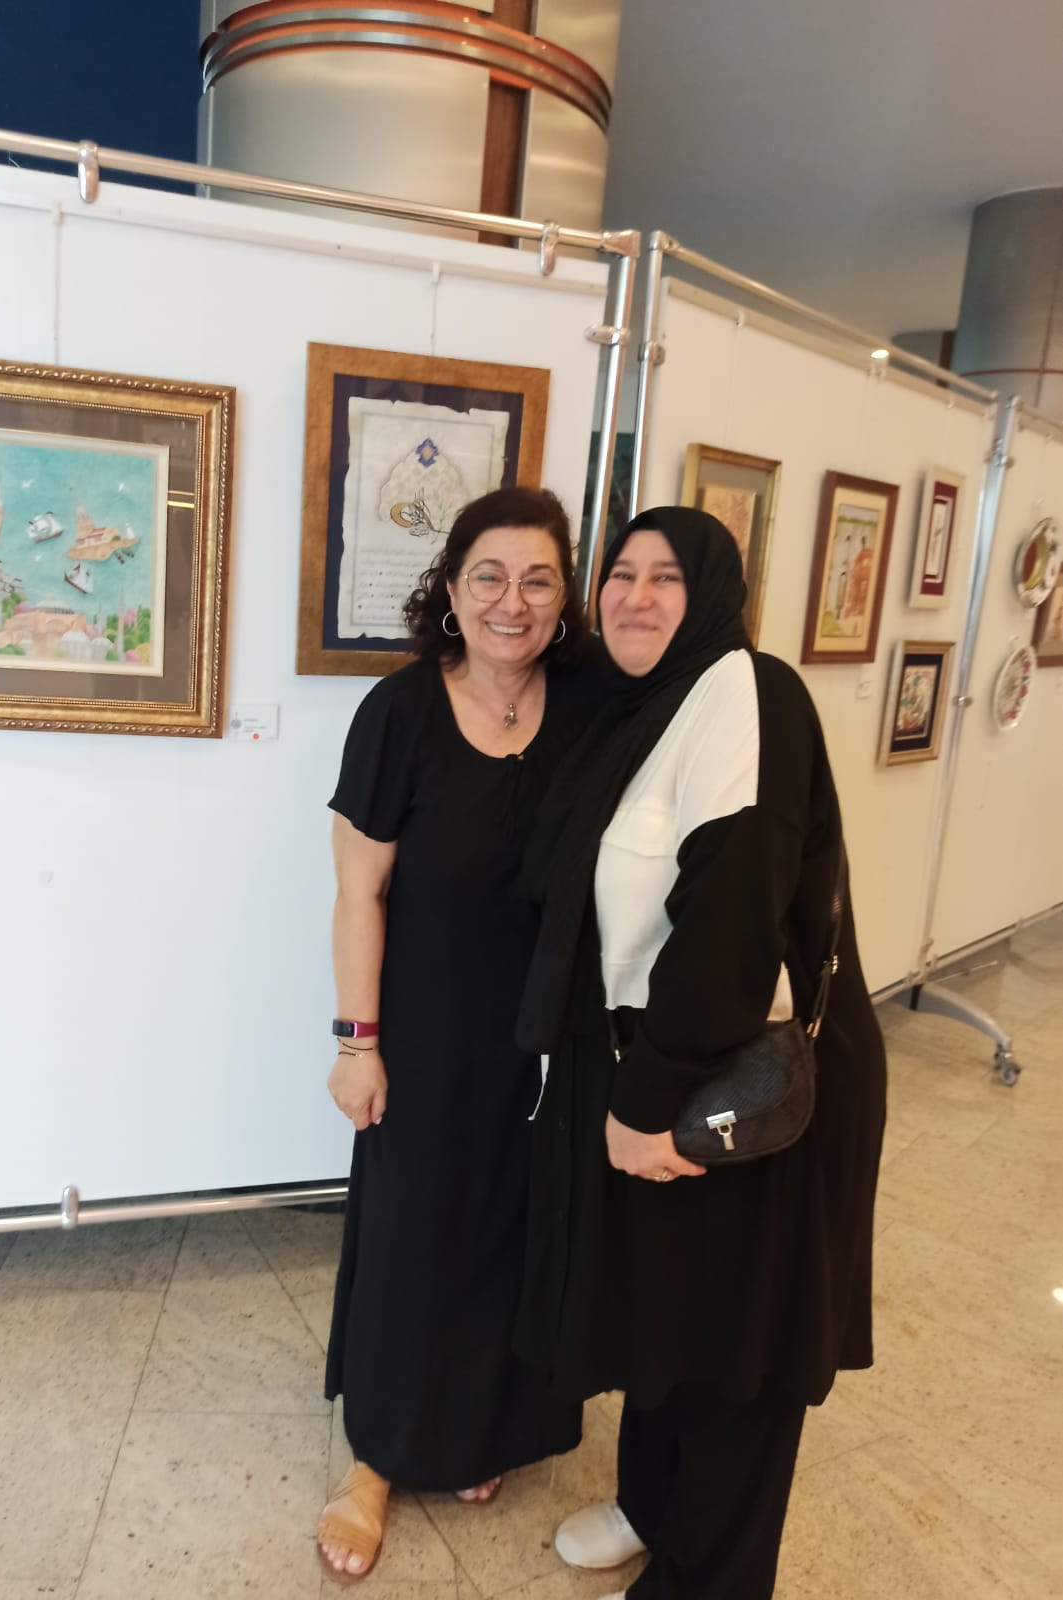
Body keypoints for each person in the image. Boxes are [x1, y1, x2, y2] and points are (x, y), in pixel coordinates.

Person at [513, 506, 887, 1600]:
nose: (634, 596)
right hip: (666, 1058)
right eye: (620, 573)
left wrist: (647, 1098)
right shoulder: (644, 709)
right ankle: (653, 1505)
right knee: (668, 1309)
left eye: (666, 576)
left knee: (735, 1349)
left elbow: (730, 919)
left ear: (716, 592)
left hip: (738, 1076)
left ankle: (709, 1577)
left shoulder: (747, 690)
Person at [318, 486, 597, 1581]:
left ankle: (479, 1429)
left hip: (550, 1035)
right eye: (488, 575)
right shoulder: (399, 713)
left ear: (564, 597)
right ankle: (376, 1460)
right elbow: (358, 892)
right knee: (410, 1238)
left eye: (537, 579)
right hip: (426, 1034)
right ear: (450, 585)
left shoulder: (586, 708)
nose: (510, 601)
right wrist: (357, 1043)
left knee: (515, 1233)